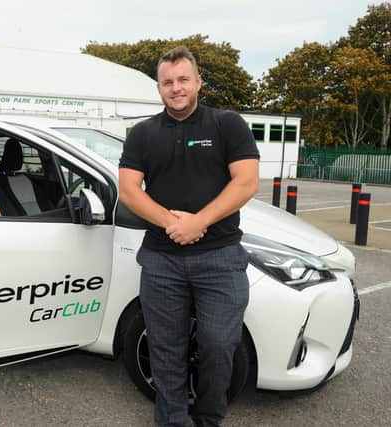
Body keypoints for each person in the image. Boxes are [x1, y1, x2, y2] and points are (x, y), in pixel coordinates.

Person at [118, 46, 260, 427]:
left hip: (221, 258)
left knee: (218, 346)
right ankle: (172, 420)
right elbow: (130, 191)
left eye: (183, 79)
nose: (176, 88)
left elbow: (246, 182)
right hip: (161, 260)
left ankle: (209, 417)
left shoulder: (227, 125)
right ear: (159, 88)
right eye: (168, 82)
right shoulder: (142, 134)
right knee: (166, 351)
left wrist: (199, 221)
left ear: (198, 81)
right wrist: (172, 223)